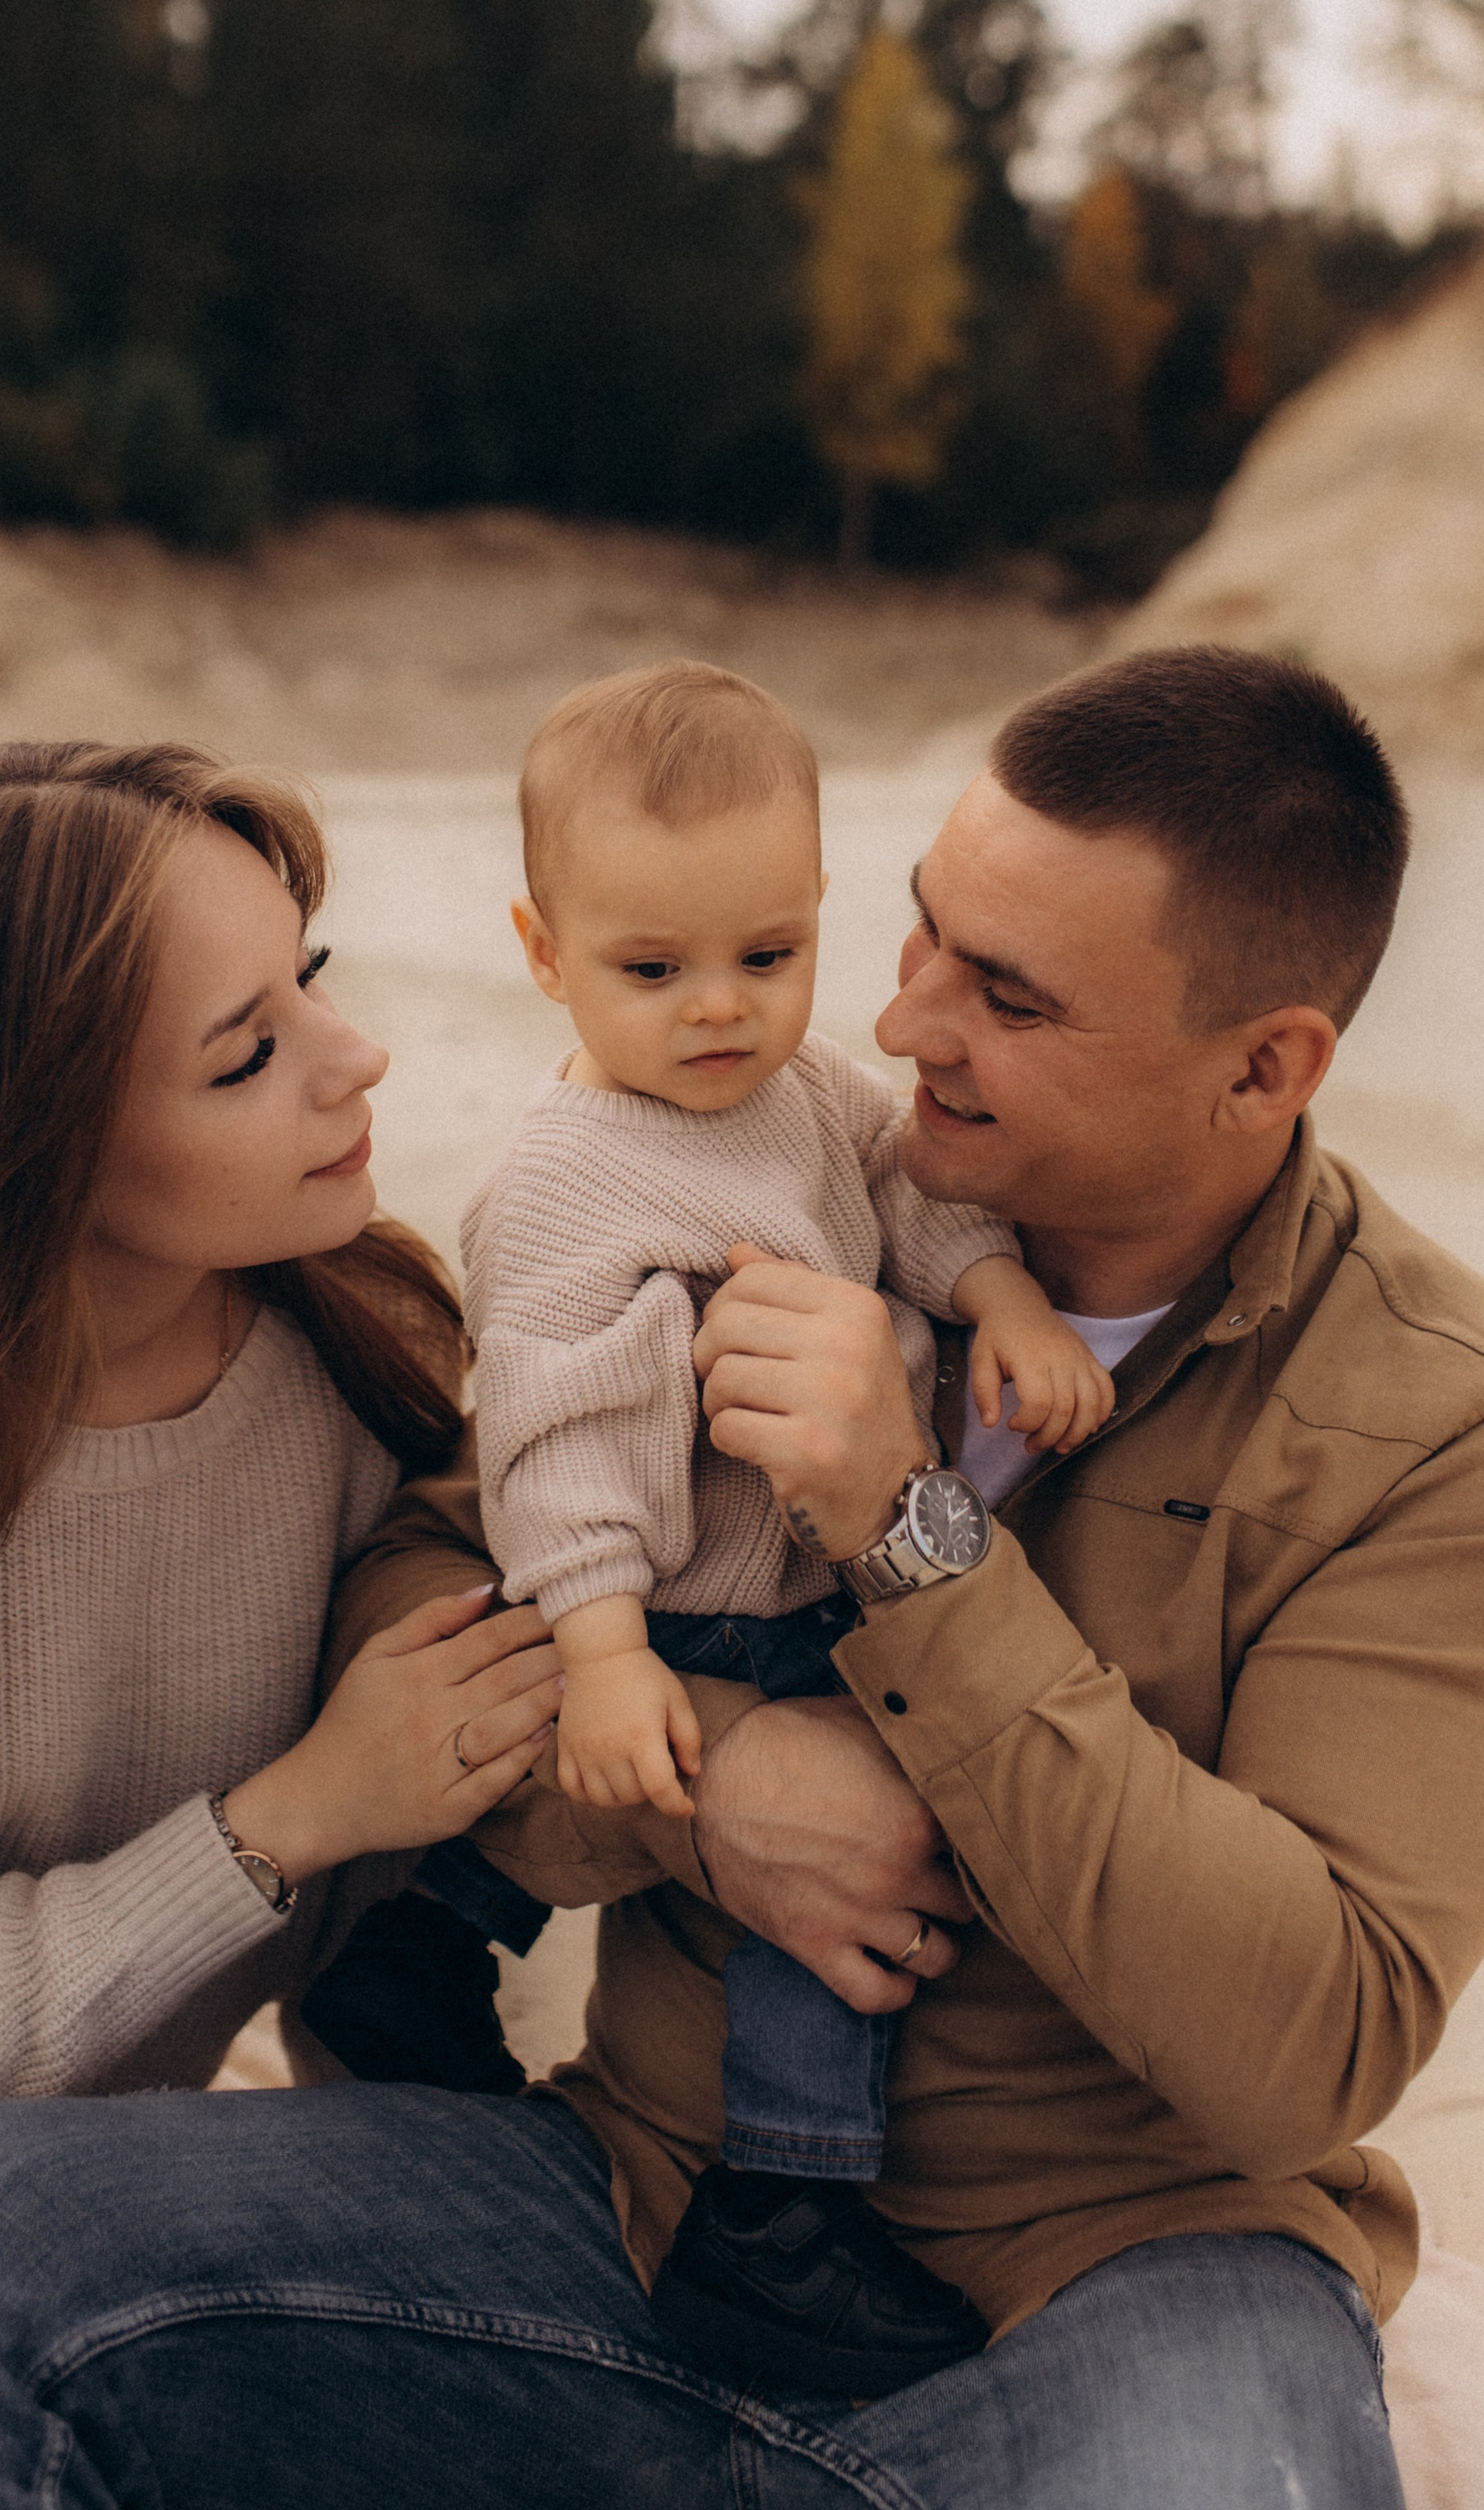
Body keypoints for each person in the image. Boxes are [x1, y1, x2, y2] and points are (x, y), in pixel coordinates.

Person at [0, 649, 1484, 2510]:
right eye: (913, 938)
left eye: (1008, 997)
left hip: (1123, 2275)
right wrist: (700, 1775)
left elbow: (1310, 2041)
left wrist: (909, 1530)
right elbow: (427, 1563)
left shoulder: (1462, 1429)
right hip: (622, 2209)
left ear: (1263, 1062)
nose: (896, 1028)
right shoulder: (730, 1176)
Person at [0, 742, 559, 2417]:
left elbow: (388, 1924)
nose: (358, 1058)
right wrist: (283, 1820)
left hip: (125, 2196)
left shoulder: (359, 1358)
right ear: (16, 1149)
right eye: (250, 1052)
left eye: (308, 984)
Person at [456, 662, 1109, 2392]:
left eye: (764, 953)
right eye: (648, 970)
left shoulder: (808, 1091)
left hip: (813, 1575)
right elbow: (554, 1437)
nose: (718, 1009)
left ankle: (437, 1925)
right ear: (543, 953)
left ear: (819, 914)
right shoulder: (568, 1178)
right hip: (674, 1605)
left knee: (850, 1831)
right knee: (808, 1896)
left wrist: (1006, 1301)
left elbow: (911, 1198)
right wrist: (599, 1648)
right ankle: (779, 2212)